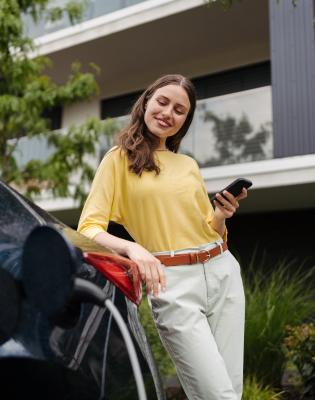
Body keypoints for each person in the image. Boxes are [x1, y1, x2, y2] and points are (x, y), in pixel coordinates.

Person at [77, 74, 247, 400]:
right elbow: (88, 228)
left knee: (230, 391)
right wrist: (135, 250)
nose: (169, 112)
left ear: (185, 120)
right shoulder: (118, 160)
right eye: (163, 102)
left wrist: (222, 215)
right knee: (217, 395)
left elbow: (208, 229)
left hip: (223, 270)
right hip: (174, 285)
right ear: (147, 102)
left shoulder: (188, 165)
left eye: (180, 110)